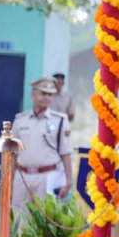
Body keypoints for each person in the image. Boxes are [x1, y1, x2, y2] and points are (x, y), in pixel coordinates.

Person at [10, 76, 74, 213]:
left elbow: (66, 153)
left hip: (48, 177)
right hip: (22, 177)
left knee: (45, 220)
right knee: (19, 218)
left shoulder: (60, 121)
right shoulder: (20, 120)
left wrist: (68, 181)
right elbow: (12, 154)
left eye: (50, 94)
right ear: (33, 94)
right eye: (43, 93)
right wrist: (8, 180)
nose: (47, 97)